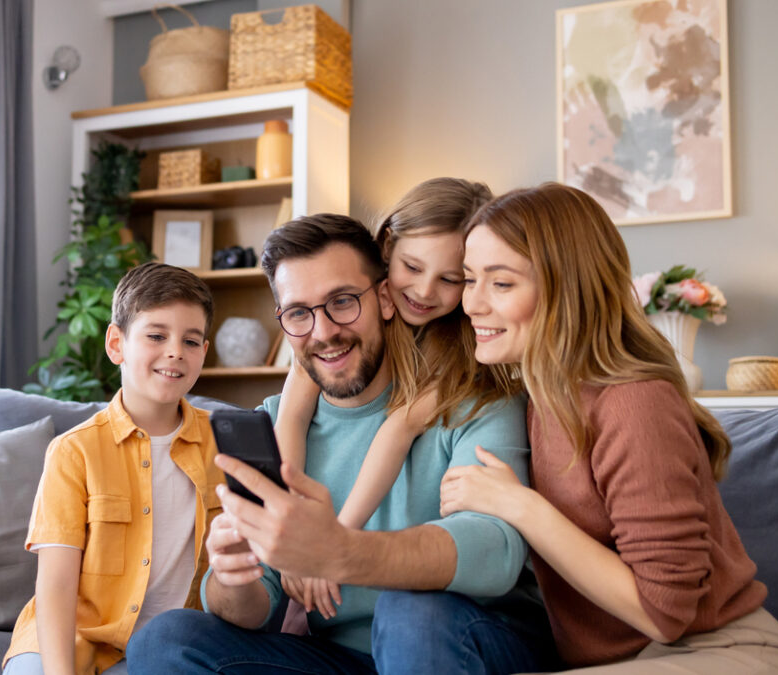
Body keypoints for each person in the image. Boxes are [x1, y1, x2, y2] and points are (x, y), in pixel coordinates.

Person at [126, 213, 557, 673]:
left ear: (386, 299)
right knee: (166, 641)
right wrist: (234, 578)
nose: (324, 331)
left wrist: (344, 554)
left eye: (343, 301)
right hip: (343, 659)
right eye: (298, 313)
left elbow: (496, 549)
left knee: (410, 611)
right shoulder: (276, 423)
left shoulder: (473, 396)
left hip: (466, 636)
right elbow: (258, 607)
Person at [441, 183, 778, 673]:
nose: (472, 304)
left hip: (717, 654)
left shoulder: (634, 402)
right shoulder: (538, 398)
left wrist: (520, 505)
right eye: (469, 279)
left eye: (502, 283)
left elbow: (664, 612)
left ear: (566, 288)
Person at [274, 178, 512, 619]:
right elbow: (290, 416)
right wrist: (298, 531)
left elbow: (397, 431)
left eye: (451, 279)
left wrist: (332, 544)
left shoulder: (458, 356)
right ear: (387, 247)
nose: (423, 292)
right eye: (413, 267)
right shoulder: (340, 325)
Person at [2, 262, 225, 675]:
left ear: (203, 354)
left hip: (169, 645)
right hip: (75, 637)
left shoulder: (224, 445)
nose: (175, 350)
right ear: (116, 343)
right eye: (156, 336)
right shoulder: (74, 451)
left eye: (190, 341)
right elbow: (55, 587)